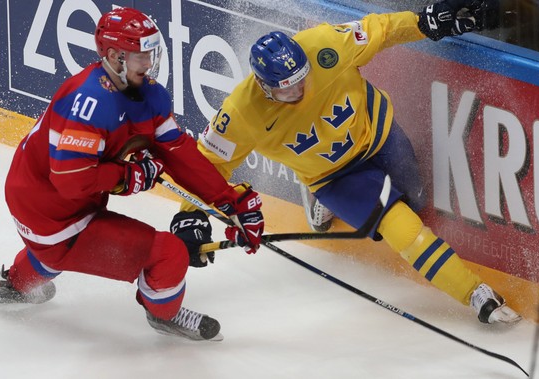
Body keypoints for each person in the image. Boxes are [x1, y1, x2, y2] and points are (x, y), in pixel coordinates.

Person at [186, 0, 521, 324]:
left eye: (303, 77)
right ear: (263, 85)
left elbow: (382, 29)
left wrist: (425, 22)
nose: (300, 90)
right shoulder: (241, 114)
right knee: (401, 226)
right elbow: (207, 164)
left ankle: (326, 203)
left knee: (416, 198)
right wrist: (188, 217)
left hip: (378, 133)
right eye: (288, 89)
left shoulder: (324, 45)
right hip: (335, 177)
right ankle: (476, 294)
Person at [0, 7, 264, 341]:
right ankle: (165, 314)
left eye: (151, 54)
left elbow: (177, 152)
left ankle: (15, 285)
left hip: (51, 199)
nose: (150, 64)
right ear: (115, 56)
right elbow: (70, 180)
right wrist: (126, 176)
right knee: (168, 252)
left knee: (54, 253)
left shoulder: (149, 95)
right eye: (142, 56)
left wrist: (230, 201)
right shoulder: (91, 102)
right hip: (48, 211)